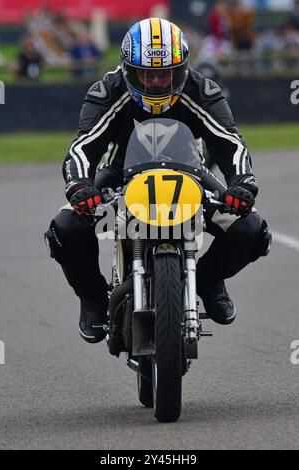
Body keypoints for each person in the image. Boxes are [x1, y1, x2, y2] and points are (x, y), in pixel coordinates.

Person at [45, 18, 271, 343]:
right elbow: (83, 146)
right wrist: (81, 186)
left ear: (182, 70)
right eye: (146, 74)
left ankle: (208, 280)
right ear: (127, 70)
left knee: (252, 231)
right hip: (120, 175)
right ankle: (93, 299)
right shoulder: (107, 91)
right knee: (64, 228)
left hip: (191, 175)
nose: (155, 83)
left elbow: (229, 141)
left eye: (165, 73)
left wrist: (243, 183)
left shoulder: (202, 90)